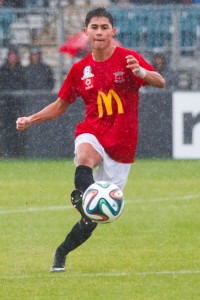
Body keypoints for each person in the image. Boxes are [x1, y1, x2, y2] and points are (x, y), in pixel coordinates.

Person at [16, 7, 165, 272]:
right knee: (84, 156)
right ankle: (82, 196)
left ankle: (62, 251)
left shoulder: (128, 58)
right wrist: (31, 119)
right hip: (93, 133)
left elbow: (160, 81)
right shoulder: (79, 70)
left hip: (122, 147)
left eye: (104, 27)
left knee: (92, 220)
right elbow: (61, 105)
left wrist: (141, 73)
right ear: (86, 32)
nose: (99, 32)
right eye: (94, 27)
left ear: (113, 32)